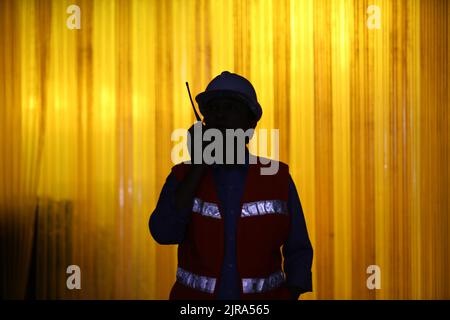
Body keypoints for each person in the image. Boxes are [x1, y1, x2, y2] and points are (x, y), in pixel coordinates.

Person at [149, 71, 313, 300]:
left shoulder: (278, 177)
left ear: (250, 123)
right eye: (213, 109)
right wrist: (199, 164)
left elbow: (299, 251)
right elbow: (164, 233)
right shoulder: (183, 175)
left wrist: (291, 293)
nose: (220, 116)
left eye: (230, 108)